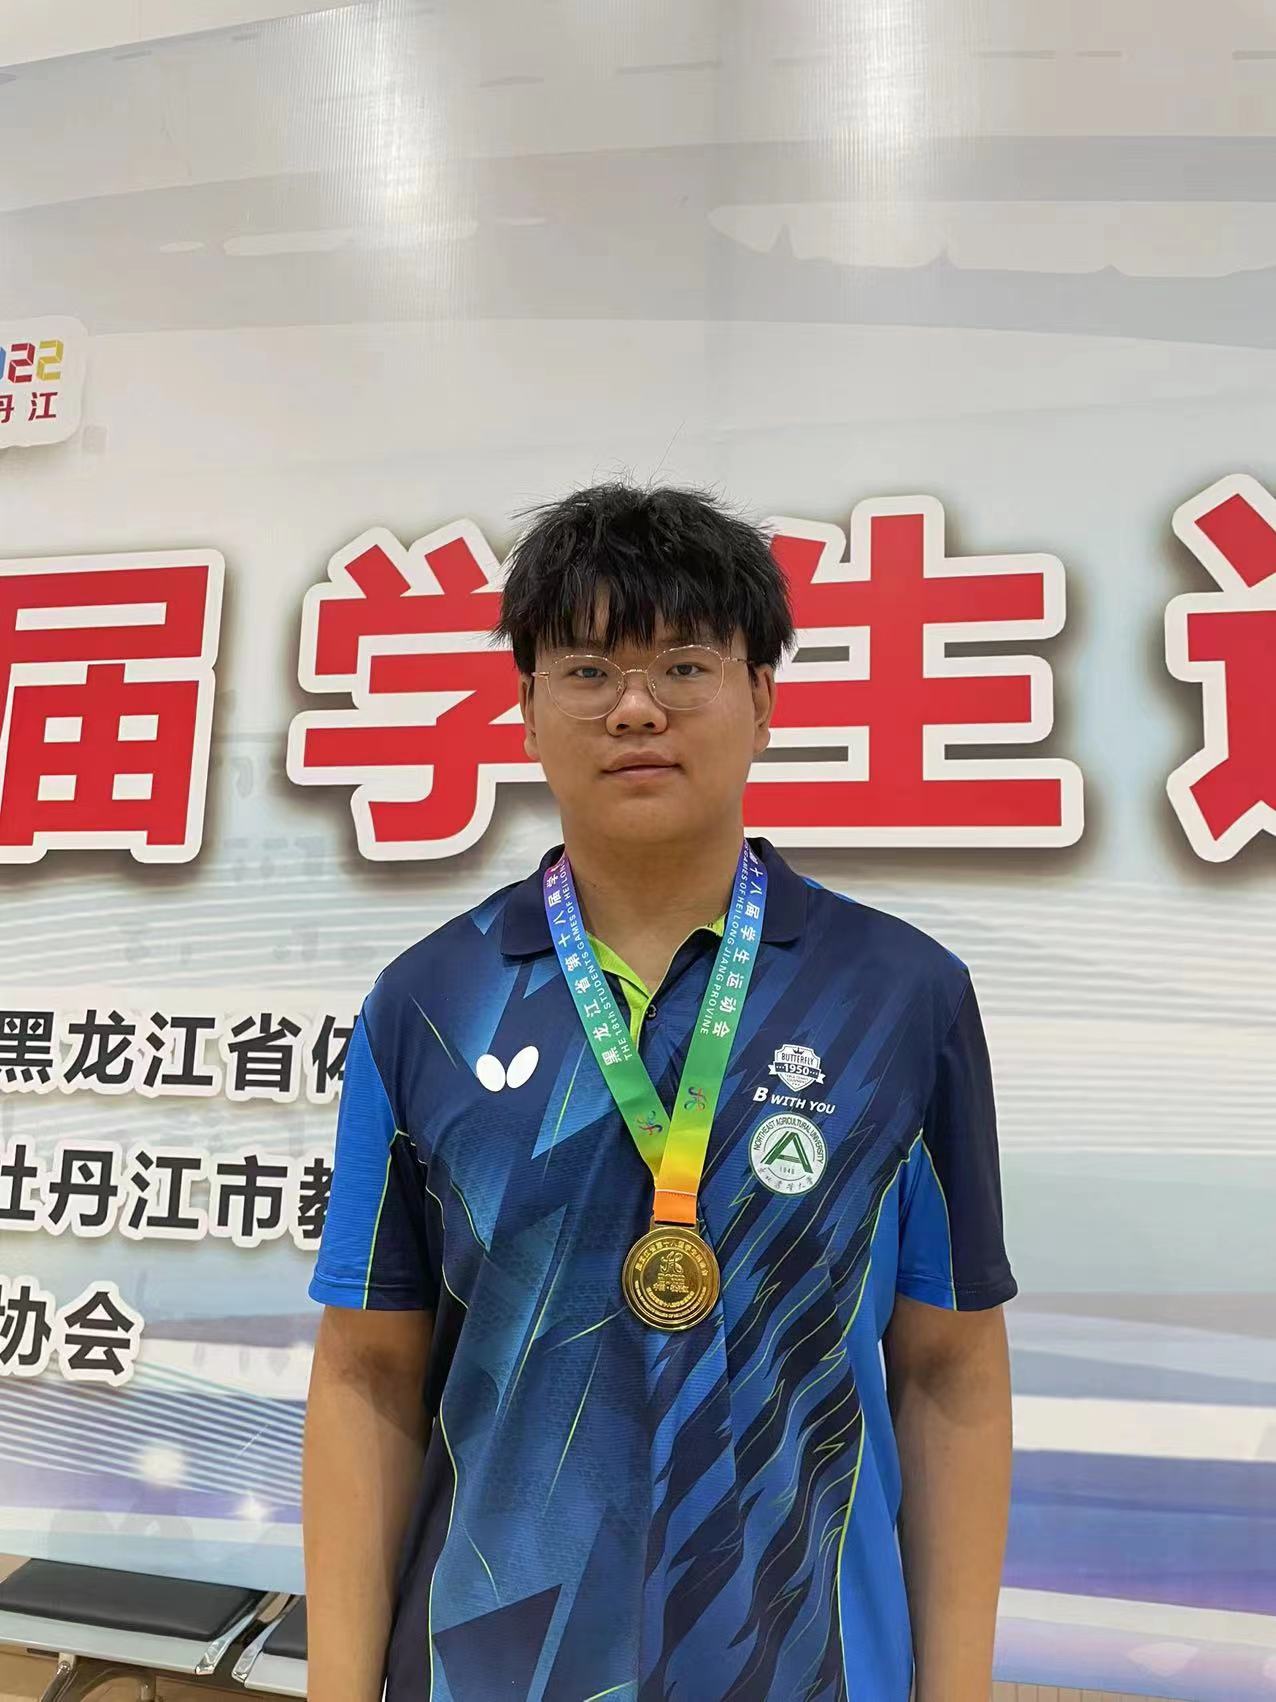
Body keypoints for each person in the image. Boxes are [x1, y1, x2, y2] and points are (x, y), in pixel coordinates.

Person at [302, 481, 1016, 1702]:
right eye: (587, 670)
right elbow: (366, 1370)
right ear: (527, 708)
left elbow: (949, 1368)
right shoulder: (425, 1001)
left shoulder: (902, 997)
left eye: (684, 665)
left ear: (763, 698)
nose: (635, 707)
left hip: (808, 1669)